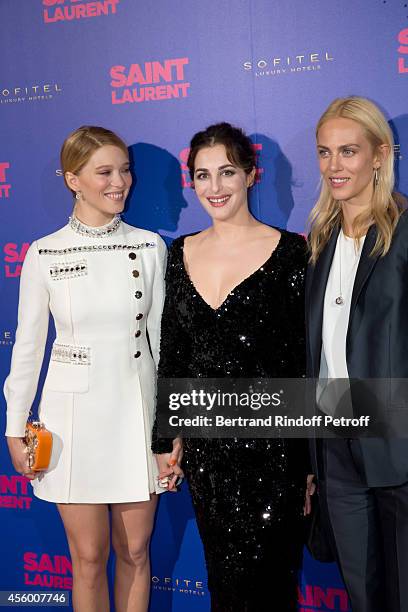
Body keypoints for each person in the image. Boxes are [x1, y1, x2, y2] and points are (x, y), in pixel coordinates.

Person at [4, 126, 167, 612]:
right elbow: (28, 348)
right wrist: (14, 428)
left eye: (124, 170)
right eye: (105, 172)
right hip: (72, 422)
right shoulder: (44, 252)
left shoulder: (151, 247)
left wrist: (169, 428)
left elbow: (162, 345)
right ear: (74, 180)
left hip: (136, 415)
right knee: (89, 558)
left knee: (135, 551)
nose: (120, 182)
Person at [152, 122, 310, 611]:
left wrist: (308, 463)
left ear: (251, 175)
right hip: (209, 456)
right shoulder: (179, 253)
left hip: (274, 451)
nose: (214, 188)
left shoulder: (291, 253)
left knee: (272, 586)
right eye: (202, 175)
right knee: (224, 582)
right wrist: (164, 439)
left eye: (226, 172)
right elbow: (173, 352)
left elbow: (301, 362)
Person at [305, 96, 408, 612]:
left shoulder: (404, 232)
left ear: (379, 155)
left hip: (398, 441)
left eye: (348, 151)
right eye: (325, 153)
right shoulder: (320, 241)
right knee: (362, 596)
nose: (334, 166)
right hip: (335, 444)